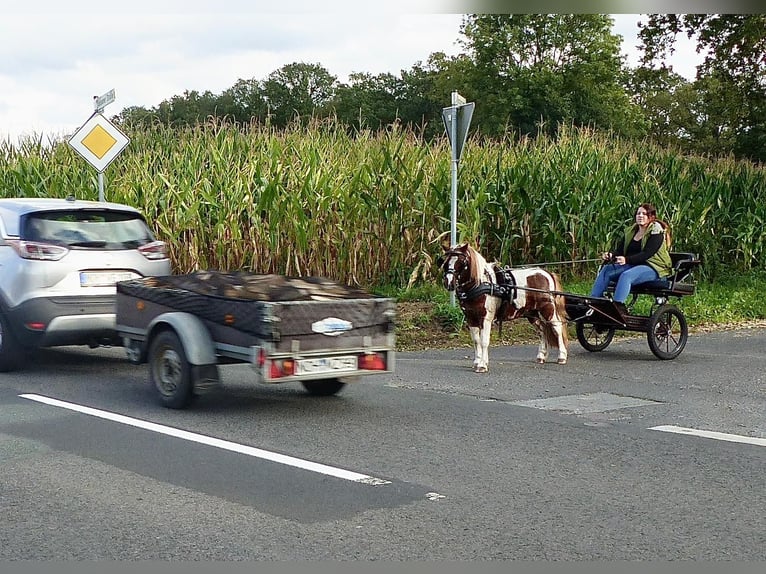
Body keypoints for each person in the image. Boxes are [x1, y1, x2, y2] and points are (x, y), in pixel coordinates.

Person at [590, 203, 673, 314]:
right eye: (638, 213)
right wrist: (611, 255)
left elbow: (647, 253)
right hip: (633, 265)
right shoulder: (631, 231)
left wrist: (627, 260)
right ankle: (594, 303)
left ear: (651, 217)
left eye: (644, 214)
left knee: (626, 276)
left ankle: (617, 308)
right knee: (607, 270)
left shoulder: (656, 231)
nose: (640, 216)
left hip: (653, 267)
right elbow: (620, 250)